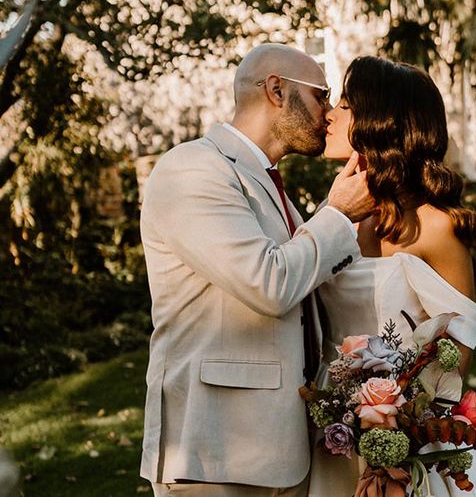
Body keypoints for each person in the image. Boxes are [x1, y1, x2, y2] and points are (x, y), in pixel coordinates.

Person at [140, 44, 374, 497]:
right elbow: (268, 284)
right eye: (321, 95)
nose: (328, 113)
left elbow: (308, 275)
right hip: (215, 454)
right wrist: (338, 215)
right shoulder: (193, 169)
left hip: (282, 448)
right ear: (276, 90)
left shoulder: (268, 183)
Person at [309, 56, 476, 496]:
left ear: (382, 123)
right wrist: (344, 415)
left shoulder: (438, 226)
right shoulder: (333, 216)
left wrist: (394, 426)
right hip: (332, 434)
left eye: (348, 104)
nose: (331, 114)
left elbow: (455, 359)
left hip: (409, 439)